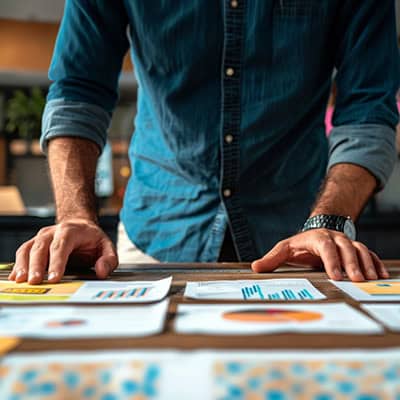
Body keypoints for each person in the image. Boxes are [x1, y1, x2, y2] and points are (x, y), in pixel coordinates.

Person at [9, 1, 399, 285]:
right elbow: (78, 92)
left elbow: (368, 110)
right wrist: (75, 217)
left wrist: (329, 221)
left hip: (301, 245)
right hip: (152, 238)